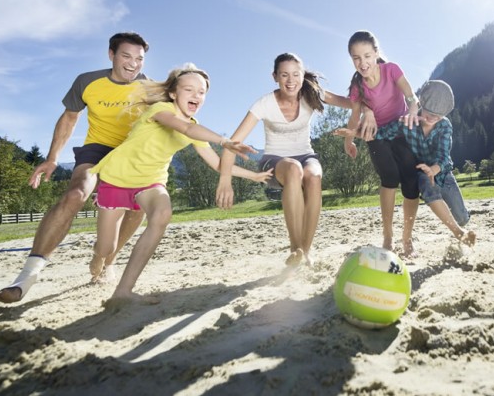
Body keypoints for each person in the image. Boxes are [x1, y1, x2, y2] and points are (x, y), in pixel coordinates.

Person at [0, 32, 151, 304]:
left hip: (131, 152)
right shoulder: (87, 81)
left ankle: (107, 261)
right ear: (111, 55)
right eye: (126, 56)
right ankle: (25, 278)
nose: (133, 64)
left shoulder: (150, 88)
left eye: (139, 59)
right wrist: (53, 158)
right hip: (97, 149)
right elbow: (69, 118)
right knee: (75, 194)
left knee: (139, 207)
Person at [91, 63, 271, 305]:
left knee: (162, 213)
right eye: (189, 90)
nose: (196, 95)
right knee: (106, 247)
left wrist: (254, 176)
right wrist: (224, 140)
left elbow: (218, 164)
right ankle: (99, 257)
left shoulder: (194, 127)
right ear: (174, 93)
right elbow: (184, 127)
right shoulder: (160, 109)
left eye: (201, 92)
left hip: (151, 182)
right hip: (116, 179)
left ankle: (124, 291)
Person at [215, 52, 375, 268]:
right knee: (293, 169)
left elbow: (352, 102)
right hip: (274, 160)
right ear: (275, 77)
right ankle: (295, 247)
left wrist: (367, 111)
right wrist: (225, 180)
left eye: (295, 75)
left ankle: (305, 251)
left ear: (302, 76)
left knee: (314, 175)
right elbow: (231, 144)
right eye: (284, 75)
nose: (291, 81)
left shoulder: (312, 93)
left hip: (306, 155)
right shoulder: (264, 104)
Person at [341, 30, 422, 257]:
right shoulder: (358, 87)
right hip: (376, 135)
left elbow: (410, 95)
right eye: (356, 58)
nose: (362, 63)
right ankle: (388, 237)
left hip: (401, 131)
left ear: (376, 53)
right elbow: (354, 116)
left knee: (410, 182)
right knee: (389, 178)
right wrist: (349, 140)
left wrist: (413, 109)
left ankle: (407, 239)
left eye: (367, 55)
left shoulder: (391, 70)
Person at [374, 80, 476, 248]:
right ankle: (459, 234)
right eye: (430, 113)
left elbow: (443, 156)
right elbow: (381, 133)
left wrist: (434, 169)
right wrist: (355, 132)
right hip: (421, 171)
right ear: (421, 103)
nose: (433, 118)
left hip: (443, 173)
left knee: (462, 217)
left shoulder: (445, 126)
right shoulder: (408, 122)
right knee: (427, 188)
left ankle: (462, 223)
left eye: (438, 116)